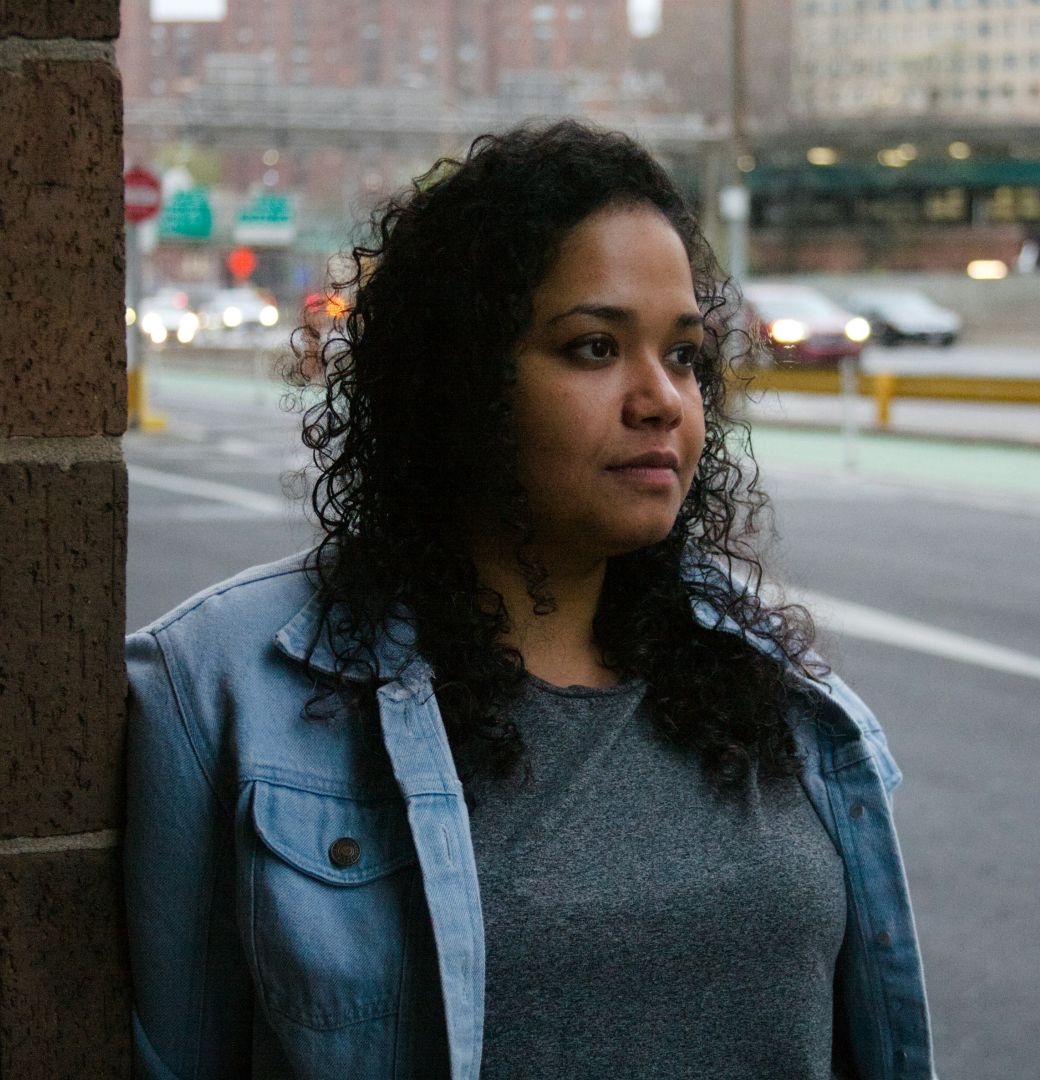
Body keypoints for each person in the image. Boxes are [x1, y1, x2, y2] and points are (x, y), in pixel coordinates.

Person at [124, 119, 938, 1080]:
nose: (662, 401)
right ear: (459, 380)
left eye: (683, 355)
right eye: (595, 348)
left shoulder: (777, 691)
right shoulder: (218, 689)